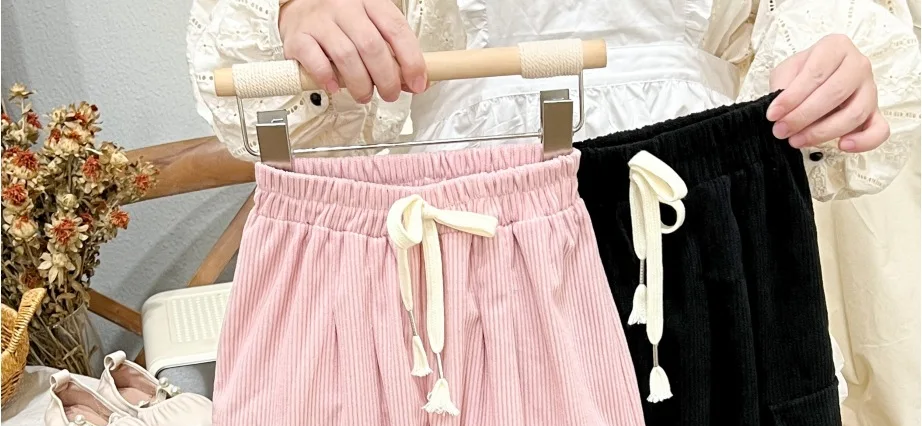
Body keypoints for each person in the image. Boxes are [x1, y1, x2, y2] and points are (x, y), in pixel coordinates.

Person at [188, 0, 920, 201]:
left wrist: (831, 57)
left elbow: (821, 27)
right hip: (463, 210)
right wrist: (303, 11)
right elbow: (285, 109)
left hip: (698, 201)